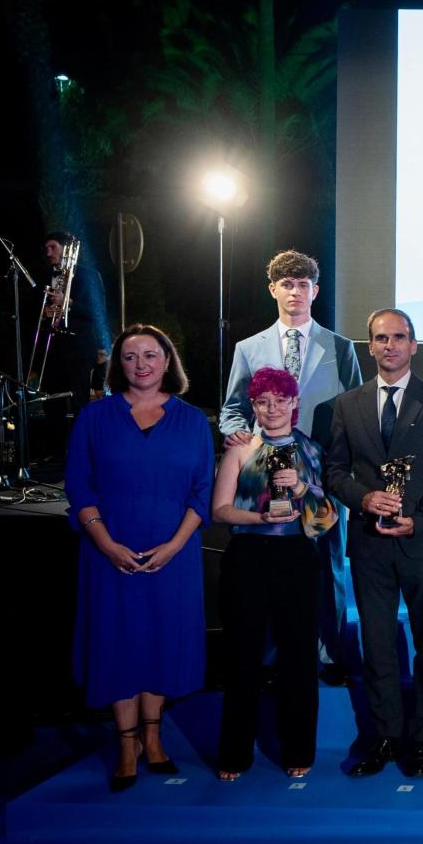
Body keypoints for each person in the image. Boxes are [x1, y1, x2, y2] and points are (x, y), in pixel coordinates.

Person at [65, 325, 212, 792]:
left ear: (168, 361)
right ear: (118, 366)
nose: (141, 364)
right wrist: (107, 544)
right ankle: (126, 745)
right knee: (119, 643)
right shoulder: (94, 418)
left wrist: (174, 545)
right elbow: (78, 488)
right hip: (109, 555)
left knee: (161, 642)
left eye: (151, 355)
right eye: (130, 357)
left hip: (174, 556)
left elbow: (202, 492)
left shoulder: (192, 421)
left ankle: (154, 737)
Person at [324, 309, 423, 779]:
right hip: (370, 544)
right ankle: (384, 736)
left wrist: (416, 522)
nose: (390, 345)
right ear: (370, 346)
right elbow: (334, 472)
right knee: (377, 644)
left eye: (398, 337)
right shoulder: (348, 405)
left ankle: (421, 740)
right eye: (381, 338)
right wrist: (364, 499)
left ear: (414, 345)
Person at [220, 249, 363, 684]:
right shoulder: (249, 348)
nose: (295, 292)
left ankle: (330, 652)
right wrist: (239, 437)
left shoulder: (340, 347)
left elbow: (356, 409)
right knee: (267, 562)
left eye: (303, 284)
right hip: (263, 472)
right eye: (287, 284)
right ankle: (268, 657)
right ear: (273, 290)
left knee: (329, 559)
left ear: (315, 291)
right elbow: (232, 408)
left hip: (323, 470)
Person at [210, 367, 339, 781]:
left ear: (294, 403)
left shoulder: (312, 451)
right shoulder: (240, 449)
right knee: (241, 656)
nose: (272, 409)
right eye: (263, 402)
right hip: (247, 556)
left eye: (280, 401)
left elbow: (326, 520)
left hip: (298, 557)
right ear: (253, 405)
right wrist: (259, 517)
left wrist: (301, 489)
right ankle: (235, 753)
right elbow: (220, 511)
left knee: (299, 657)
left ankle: (298, 749)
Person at [38, 230, 109, 444]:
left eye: (53, 247)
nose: (48, 253)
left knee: (79, 401)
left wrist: (68, 303)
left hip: (78, 348)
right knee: (52, 402)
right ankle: (56, 450)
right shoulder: (45, 276)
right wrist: (45, 312)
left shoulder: (88, 274)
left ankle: (82, 448)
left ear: (66, 249)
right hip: (53, 348)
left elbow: (97, 312)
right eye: (46, 248)